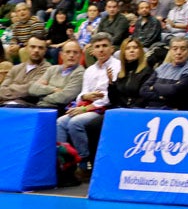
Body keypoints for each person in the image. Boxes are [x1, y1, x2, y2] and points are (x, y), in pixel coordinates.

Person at [56, 32, 120, 177]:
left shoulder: (117, 66)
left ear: (111, 48)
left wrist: (85, 108)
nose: (101, 49)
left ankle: (84, 162)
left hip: (104, 108)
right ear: (92, 50)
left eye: (105, 46)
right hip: (86, 105)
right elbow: (82, 94)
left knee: (75, 123)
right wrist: (85, 97)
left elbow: (109, 97)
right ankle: (63, 162)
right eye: (97, 46)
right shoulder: (90, 70)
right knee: (60, 122)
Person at [139, 36, 188, 111]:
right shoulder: (162, 67)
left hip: (176, 112)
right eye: (175, 49)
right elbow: (143, 90)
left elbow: (175, 91)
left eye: (183, 49)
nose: (178, 52)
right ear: (170, 51)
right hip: (151, 109)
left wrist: (154, 86)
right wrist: (161, 96)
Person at [0, 34, 50, 107]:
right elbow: (2, 89)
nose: (36, 50)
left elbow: (30, 90)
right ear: (26, 48)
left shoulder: (48, 69)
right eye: (32, 47)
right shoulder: (16, 68)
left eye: (40, 48)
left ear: (45, 51)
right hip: (4, 105)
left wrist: (12, 86)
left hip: (27, 107)